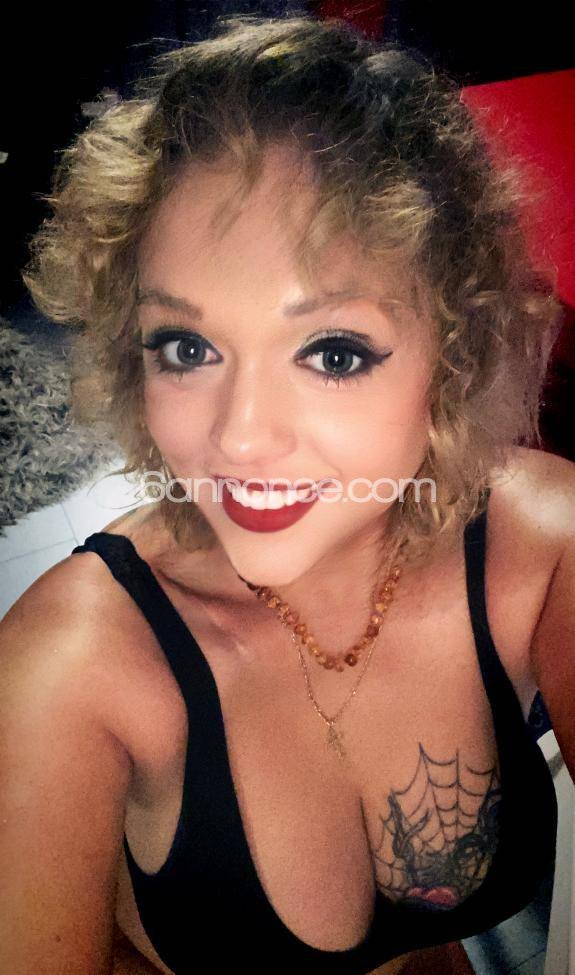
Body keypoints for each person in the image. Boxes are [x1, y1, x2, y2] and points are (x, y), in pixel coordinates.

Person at [1, 12, 573, 975]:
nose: (238, 437)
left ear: (453, 352)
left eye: (332, 352)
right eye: (186, 347)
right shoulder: (65, 669)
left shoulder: (542, 546)